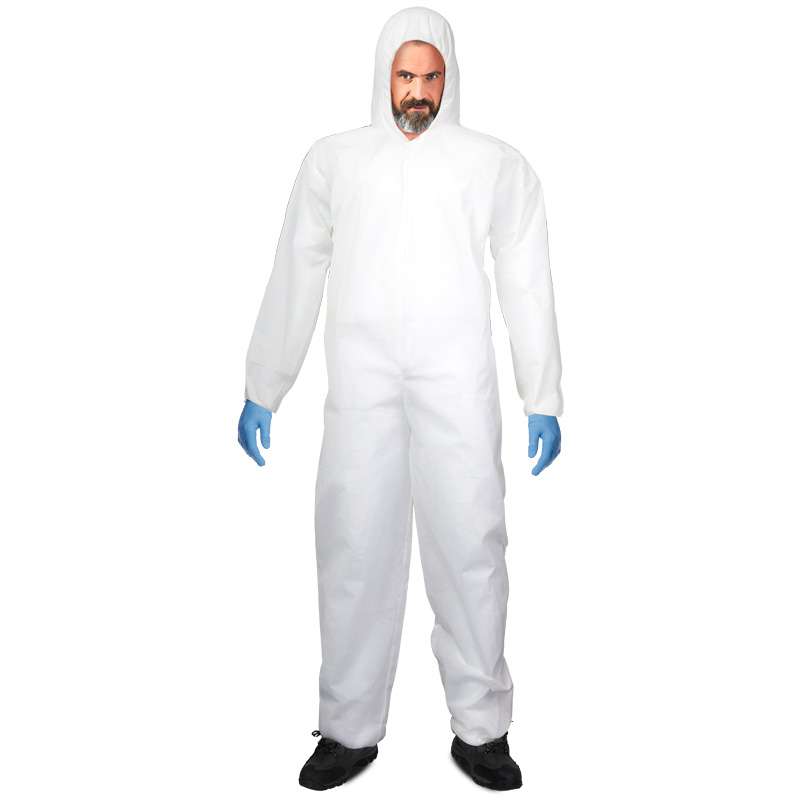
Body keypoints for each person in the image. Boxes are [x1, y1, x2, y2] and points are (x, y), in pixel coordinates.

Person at [238, 6, 563, 791]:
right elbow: (296, 269)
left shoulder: (495, 165)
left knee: (471, 542)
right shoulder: (334, 162)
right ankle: (347, 728)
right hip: (362, 381)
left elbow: (525, 279)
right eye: (405, 75)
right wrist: (264, 384)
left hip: (458, 380)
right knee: (353, 542)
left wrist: (542, 393)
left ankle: (482, 729)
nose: (418, 91)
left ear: (451, 79)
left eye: (431, 77)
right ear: (384, 74)